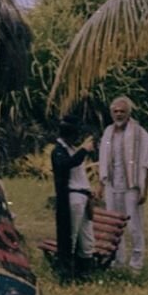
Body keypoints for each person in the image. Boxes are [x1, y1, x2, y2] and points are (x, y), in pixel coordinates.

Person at [98, 96, 148, 272]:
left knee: (134, 226)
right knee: (114, 225)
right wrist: (101, 185)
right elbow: (102, 160)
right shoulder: (108, 132)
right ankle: (118, 261)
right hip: (112, 184)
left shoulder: (138, 133)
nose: (118, 114)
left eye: (122, 111)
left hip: (132, 186)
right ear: (111, 113)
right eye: (115, 111)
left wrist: (145, 190)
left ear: (128, 113)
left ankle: (136, 264)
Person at [51, 115, 96, 281]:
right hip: (73, 196)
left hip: (83, 196)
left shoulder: (70, 149)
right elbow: (67, 165)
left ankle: (84, 272)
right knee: (70, 236)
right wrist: (84, 150)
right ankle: (66, 274)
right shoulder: (58, 151)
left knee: (86, 236)